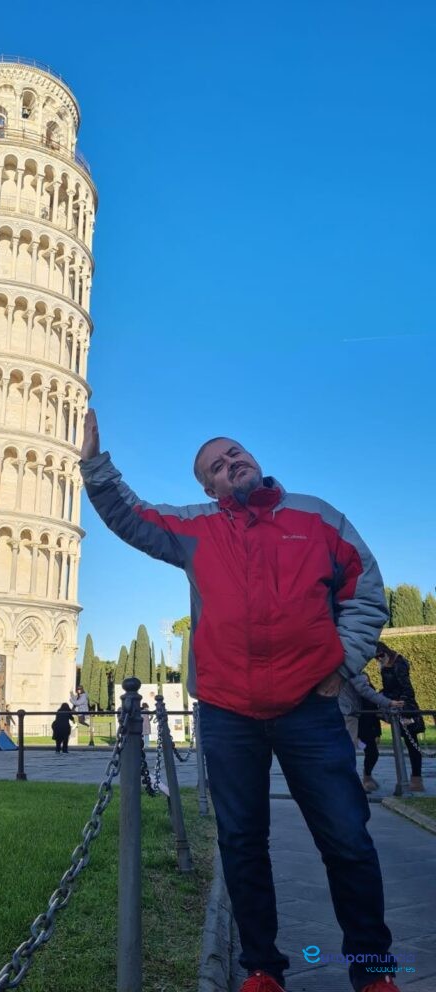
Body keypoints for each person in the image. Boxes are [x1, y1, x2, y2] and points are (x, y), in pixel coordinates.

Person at [80, 410, 398, 992]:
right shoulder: (196, 529)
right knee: (243, 843)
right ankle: (261, 969)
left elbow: (365, 590)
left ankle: (373, 971)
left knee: (348, 839)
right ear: (208, 488)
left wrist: (343, 662)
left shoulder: (317, 516)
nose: (232, 464)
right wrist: (95, 466)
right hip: (228, 712)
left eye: (236, 454)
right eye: (217, 467)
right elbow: (132, 516)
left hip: (310, 707)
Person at [376, 642, 425, 793]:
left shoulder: (398, 664)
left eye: (379, 657)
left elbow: (407, 689)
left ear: (385, 653)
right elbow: (389, 688)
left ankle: (416, 779)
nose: (377, 660)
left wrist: (400, 704)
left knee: (412, 744)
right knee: (403, 742)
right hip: (394, 706)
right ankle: (409, 779)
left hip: (404, 708)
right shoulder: (387, 664)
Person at [338, 671, 402, 753]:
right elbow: (365, 690)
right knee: (347, 749)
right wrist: (388, 702)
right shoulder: (351, 668)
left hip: (335, 710)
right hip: (348, 712)